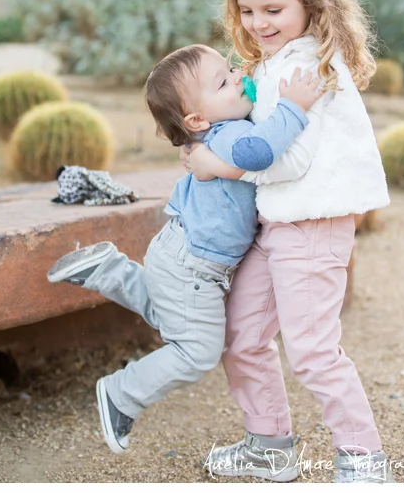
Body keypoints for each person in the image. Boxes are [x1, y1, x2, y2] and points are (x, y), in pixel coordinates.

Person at [181, 0, 390, 484]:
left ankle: (364, 460)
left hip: (314, 226)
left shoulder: (306, 68)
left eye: (273, 8)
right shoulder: (277, 66)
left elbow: (291, 162)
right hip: (277, 226)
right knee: (241, 333)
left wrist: (217, 163)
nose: (258, 23)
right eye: (247, 10)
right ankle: (269, 445)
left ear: (311, 2)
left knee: (313, 350)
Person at [47, 43, 321, 460]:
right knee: (197, 351)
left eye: (231, 70)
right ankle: (122, 393)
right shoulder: (230, 135)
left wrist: (249, 85)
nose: (237, 78)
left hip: (182, 256)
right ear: (196, 119)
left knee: (175, 319)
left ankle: (109, 271)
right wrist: (292, 107)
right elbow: (260, 152)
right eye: (224, 81)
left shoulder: (218, 131)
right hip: (192, 264)